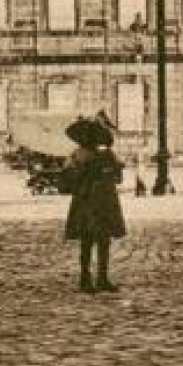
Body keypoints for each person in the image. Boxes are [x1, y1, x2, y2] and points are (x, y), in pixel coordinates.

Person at [65, 111, 127, 293]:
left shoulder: (77, 154)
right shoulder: (102, 155)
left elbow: (69, 179)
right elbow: (118, 177)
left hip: (88, 201)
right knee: (101, 240)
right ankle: (98, 279)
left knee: (90, 241)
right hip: (100, 200)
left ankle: (88, 279)